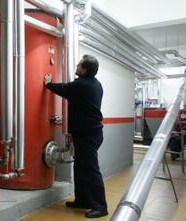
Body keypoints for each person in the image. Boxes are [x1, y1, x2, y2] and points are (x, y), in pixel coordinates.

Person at [44, 54, 108, 218]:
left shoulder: (82, 85)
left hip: (88, 135)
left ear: (84, 69)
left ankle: (100, 206)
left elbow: (64, 89)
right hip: (87, 133)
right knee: (80, 168)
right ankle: (82, 200)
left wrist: (48, 83)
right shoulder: (96, 84)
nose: (76, 67)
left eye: (79, 65)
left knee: (91, 170)